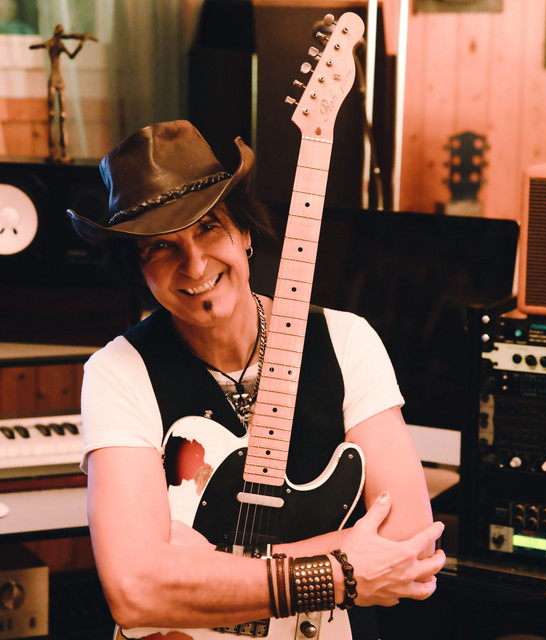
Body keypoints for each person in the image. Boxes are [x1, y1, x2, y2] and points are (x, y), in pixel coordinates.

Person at [68, 120, 446, 640]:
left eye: (208, 227)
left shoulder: (347, 341)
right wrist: (342, 570)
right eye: (160, 247)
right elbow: (135, 590)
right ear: (140, 272)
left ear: (245, 234)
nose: (193, 264)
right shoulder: (117, 371)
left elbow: (410, 547)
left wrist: (206, 568)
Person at [29, 24, 97, 162]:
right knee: (53, 114)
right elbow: (33, 47)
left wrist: (81, 44)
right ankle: (54, 151)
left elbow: (71, 55)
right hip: (55, 78)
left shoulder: (55, 44)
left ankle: (62, 151)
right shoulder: (53, 44)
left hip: (58, 79)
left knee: (61, 115)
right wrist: (81, 43)